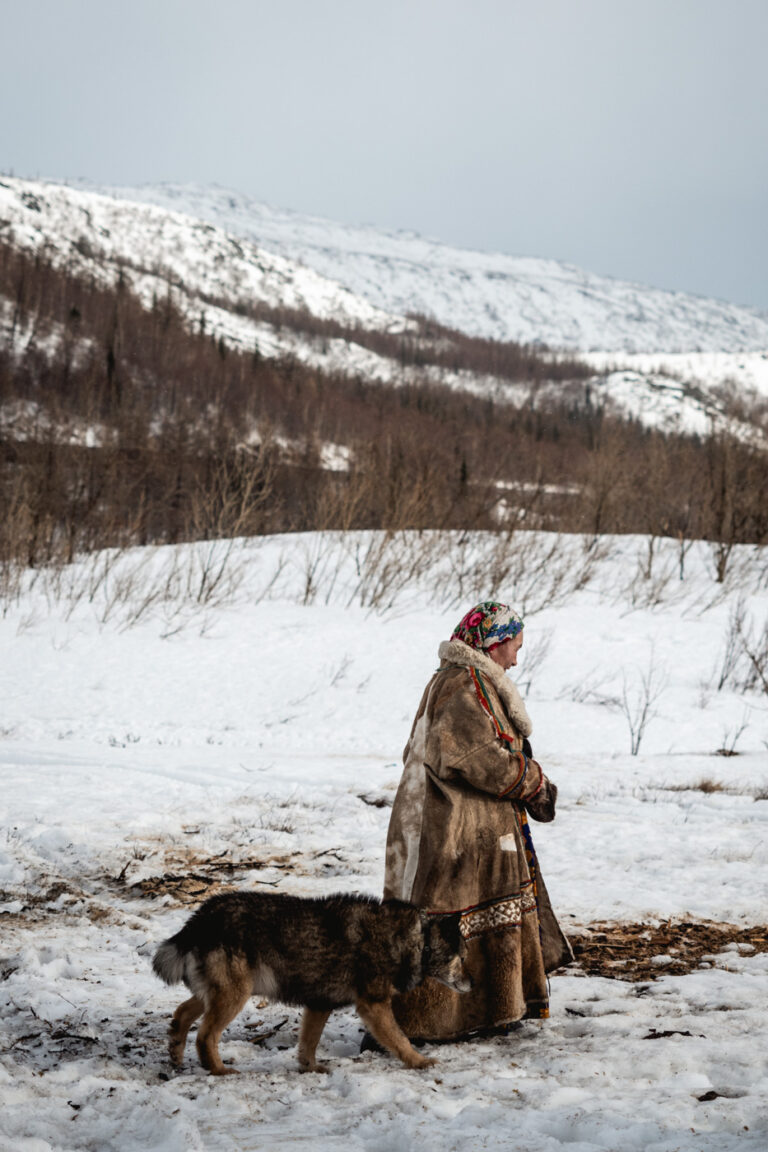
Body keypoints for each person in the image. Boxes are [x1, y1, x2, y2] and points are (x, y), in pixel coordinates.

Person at [382, 600, 572, 1042]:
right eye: (515, 647)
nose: (516, 659)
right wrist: (532, 781)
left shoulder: (466, 680)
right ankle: (425, 1021)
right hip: (456, 829)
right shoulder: (465, 683)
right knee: (449, 920)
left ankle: (487, 1011)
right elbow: (475, 757)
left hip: (473, 826)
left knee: (483, 913)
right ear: (494, 642)